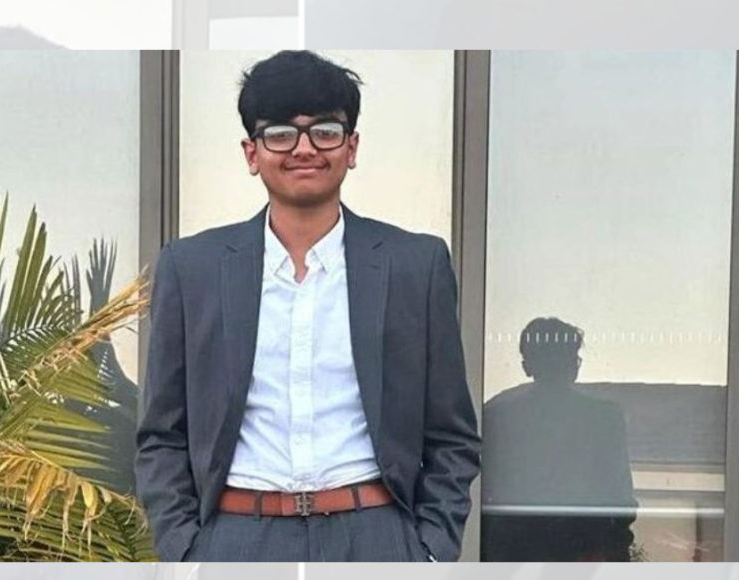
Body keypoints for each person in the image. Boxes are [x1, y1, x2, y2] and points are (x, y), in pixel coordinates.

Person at [135, 50, 481, 562]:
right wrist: (185, 552)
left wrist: (429, 552)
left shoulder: (415, 265)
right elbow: (161, 434)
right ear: (252, 153)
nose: (304, 148)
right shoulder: (192, 269)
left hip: (376, 536)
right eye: (280, 133)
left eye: (324, 131)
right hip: (235, 539)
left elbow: (451, 434)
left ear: (351, 147)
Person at [481, 317, 638, 561]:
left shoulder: (498, 417)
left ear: (527, 366)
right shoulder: (603, 418)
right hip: (584, 552)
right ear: (573, 365)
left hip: (516, 552)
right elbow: (620, 494)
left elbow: (485, 491)